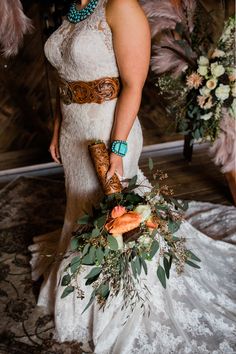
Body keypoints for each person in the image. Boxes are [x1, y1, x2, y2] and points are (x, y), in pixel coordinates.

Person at [29, 0, 236, 353]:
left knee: (115, 214)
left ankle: (123, 292)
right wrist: (57, 127)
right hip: (74, 129)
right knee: (82, 208)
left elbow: (133, 85)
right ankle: (86, 282)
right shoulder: (72, 12)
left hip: (109, 130)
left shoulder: (120, 6)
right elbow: (67, 78)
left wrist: (118, 149)